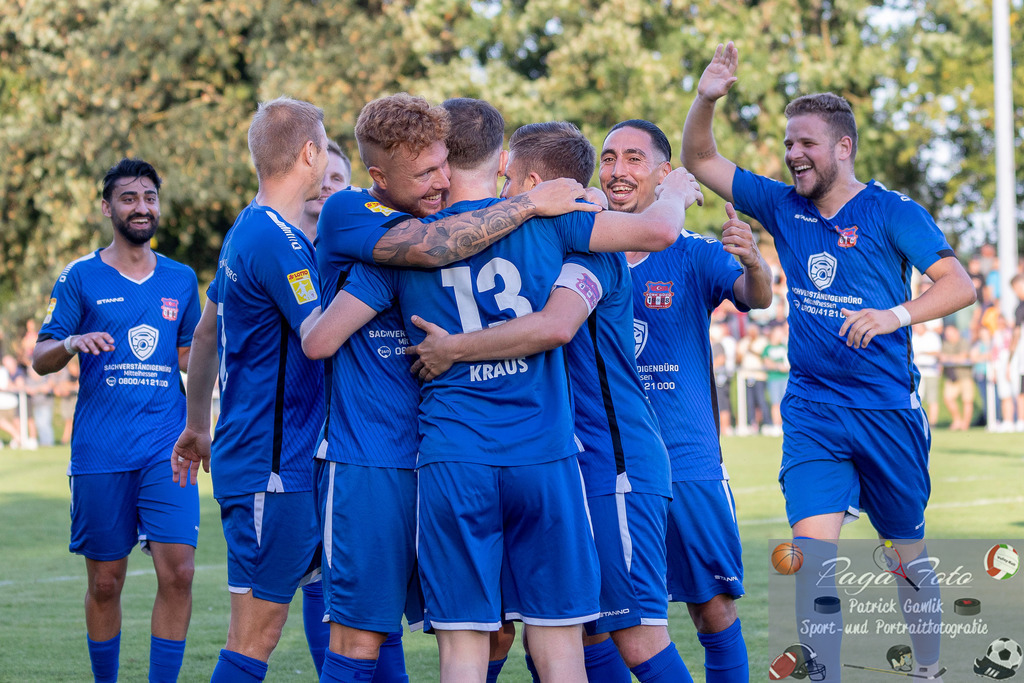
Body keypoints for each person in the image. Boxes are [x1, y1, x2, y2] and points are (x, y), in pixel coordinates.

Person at [304, 103, 703, 682]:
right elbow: (658, 233)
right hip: (543, 454)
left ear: (440, 159)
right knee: (561, 647)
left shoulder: (405, 244)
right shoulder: (553, 223)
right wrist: (676, 190)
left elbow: (320, 340)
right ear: (503, 159)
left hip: (453, 458)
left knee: (466, 646)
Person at [682, 42, 976, 682]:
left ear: (843, 147)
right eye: (789, 144)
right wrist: (706, 97)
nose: (793, 155)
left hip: (886, 412)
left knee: (909, 559)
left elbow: (959, 283)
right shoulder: (782, 204)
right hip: (813, 410)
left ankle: (928, 667)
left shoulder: (893, 212)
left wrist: (895, 315)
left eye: (807, 144)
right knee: (813, 559)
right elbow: (699, 158)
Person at [600, 119, 769, 682]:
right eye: (608, 158)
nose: (618, 170)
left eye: (632, 158)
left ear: (664, 174)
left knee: (713, 609)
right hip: (608, 465)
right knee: (604, 620)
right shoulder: (581, 249)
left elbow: (755, 297)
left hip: (687, 462)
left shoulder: (692, 254)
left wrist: (753, 261)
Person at [171, 97, 330, 681]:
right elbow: (318, 339)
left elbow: (209, 329)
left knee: (344, 620)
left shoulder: (249, 223)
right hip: (272, 468)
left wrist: (197, 424)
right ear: (310, 154)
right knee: (255, 637)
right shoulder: (276, 242)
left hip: (276, 462)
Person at [32, 158, 201, 682]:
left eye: (149, 197)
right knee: (105, 583)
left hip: (166, 448)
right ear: (107, 208)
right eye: (129, 198)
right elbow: (40, 356)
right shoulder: (80, 276)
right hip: (101, 450)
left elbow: (191, 358)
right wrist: (70, 342)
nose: (141, 207)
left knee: (181, 573)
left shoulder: (181, 278)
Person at [298, 140, 352, 242]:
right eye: (319, 176)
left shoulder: (359, 251)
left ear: (347, 188)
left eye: (336, 179)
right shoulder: (275, 241)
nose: (326, 184)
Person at [939, 324, 973, 431]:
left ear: (956, 332)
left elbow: (962, 358)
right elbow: (942, 358)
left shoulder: (963, 342)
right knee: (948, 398)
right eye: (947, 334)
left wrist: (949, 358)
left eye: (950, 333)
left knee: (967, 400)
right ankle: (957, 420)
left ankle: (965, 425)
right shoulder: (946, 344)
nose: (948, 336)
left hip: (965, 375)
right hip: (952, 377)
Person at [762, 323, 790, 435]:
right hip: (773, 378)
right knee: (775, 403)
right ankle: (776, 426)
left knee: (785, 402)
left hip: (785, 378)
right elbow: (767, 362)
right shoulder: (768, 348)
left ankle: (785, 425)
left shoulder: (785, 347)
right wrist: (779, 367)